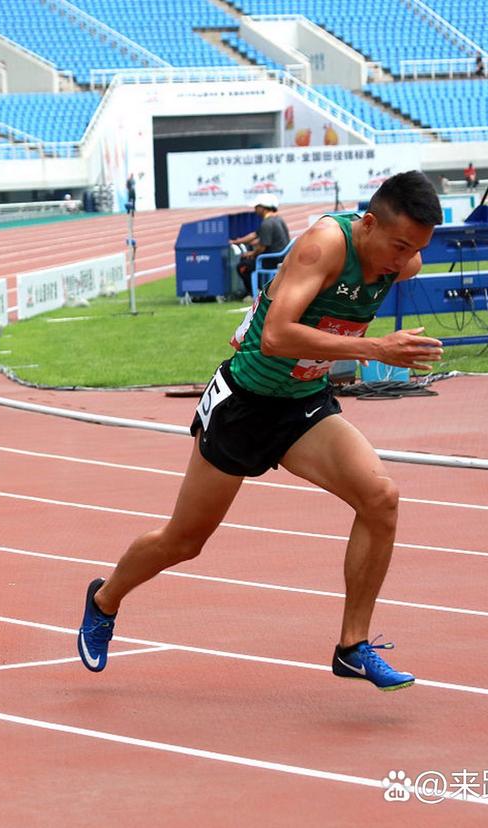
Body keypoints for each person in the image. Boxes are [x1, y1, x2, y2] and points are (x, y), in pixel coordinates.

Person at [77, 171, 445, 692]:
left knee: (380, 498)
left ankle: (352, 647)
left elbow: (353, 302)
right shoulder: (323, 246)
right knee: (184, 540)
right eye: (400, 245)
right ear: (368, 224)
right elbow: (274, 336)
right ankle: (104, 599)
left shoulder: (404, 262)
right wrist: (375, 348)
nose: (405, 260)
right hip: (245, 403)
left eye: (418, 248)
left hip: (302, 406)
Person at [230, 196, 290, 297]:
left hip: (271, 260)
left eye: (256, 207)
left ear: (263, 207)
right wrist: (237, 241)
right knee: (247, 260)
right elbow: (255, 235)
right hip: (281, 257)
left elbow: (262, 247)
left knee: (242, 266)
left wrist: (251, 253)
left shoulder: (267, 223)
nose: (255, 209)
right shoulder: (278, 219)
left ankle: (255, 294)